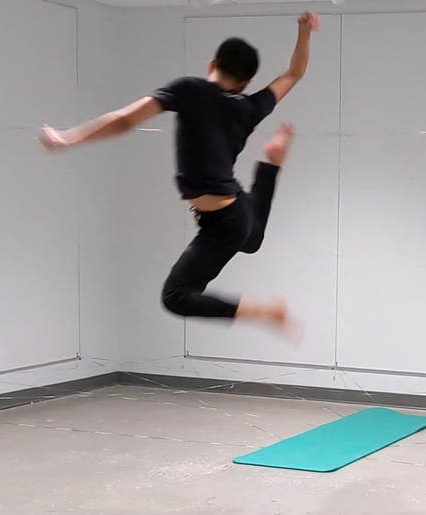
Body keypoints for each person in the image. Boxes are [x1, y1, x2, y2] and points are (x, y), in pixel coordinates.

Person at [38, 12, 321, 337]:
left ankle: (267, 312)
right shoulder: (249, 107)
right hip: (231, 211)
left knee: (177, 296)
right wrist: (304, 32)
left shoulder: (188, 89)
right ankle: (270, 166)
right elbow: (294, 73)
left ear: (211, 63)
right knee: (250, 238)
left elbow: (125, 120)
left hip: (226, 218)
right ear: (244, 82)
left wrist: (69, 137)